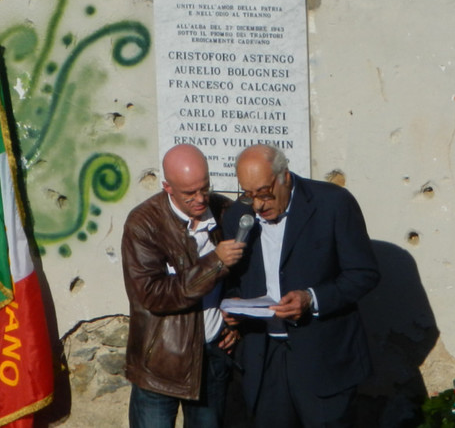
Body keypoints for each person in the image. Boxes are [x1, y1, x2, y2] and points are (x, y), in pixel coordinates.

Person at [222, 145, 380, 428]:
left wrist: (312, 298)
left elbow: (363, 273)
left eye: (264, 192)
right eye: (248, 193)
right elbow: (235, 282)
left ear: (285, 177)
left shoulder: (332, 203)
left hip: (322, 359)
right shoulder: (238, 216)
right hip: (264, 358)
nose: (257, 204)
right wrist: (234, 308)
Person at [121, 144, 245, 428]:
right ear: (167, 187)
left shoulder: (224, 211)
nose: (201, 199)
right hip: (161, 363)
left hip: (212, 355)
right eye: (190, 194)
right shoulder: (143, 224)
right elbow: (152, 295)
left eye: (205, 187)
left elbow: (243, 278)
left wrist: (237, 320)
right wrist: (215, 262)